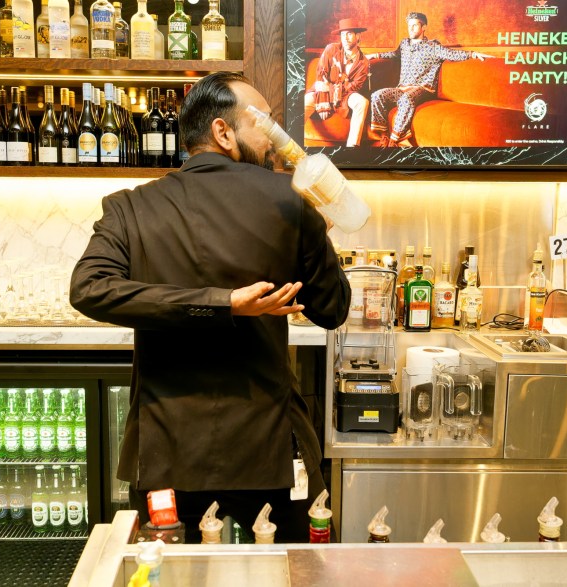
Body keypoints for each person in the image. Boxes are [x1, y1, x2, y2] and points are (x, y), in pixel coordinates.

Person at [70, 72, 350, 543]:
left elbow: (89, 289)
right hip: (268, 447)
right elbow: (332, 308)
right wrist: (231, 301)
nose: (275, 138)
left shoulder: (130, 207)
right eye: (264, 123)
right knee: (295, 568)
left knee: (170, 571)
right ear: (223, 132)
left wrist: (217, 303)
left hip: (168, 450)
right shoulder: (289, 200)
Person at [367, 12, 494, 147]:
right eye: (409, 26)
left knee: (406, 99)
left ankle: (394, 140)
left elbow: (452, 54)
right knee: (377, 95)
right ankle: (384, 136)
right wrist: (375, 55)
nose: (410, 29)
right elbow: (394, 54)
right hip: (402, 87)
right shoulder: (404, 44)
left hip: (423, 88)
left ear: (424, 27)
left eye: (414, 25)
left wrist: (473, 54)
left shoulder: (433, 46)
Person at [304, 18, 370, 147]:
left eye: (349, 34)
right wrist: (323, 101)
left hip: (345, 95)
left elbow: (354, 87)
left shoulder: (364, 63)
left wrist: (330, 88)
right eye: (343, 34)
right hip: (321, 91)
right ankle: (292, 141)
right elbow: (321, 74)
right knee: (305, 101)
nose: (345, 38)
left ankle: (352, 147)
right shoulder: (331, 49)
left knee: (362, 102)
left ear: (358, 36)